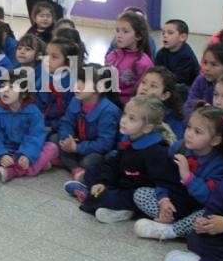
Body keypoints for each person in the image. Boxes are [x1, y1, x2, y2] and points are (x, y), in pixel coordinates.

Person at [67, 95, 186, 224]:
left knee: (108, 196)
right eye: (124, 114)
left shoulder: (155, 151)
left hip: (136, 192)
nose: (123, 120)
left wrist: (163, 200)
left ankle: (103, 200)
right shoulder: (129, 138)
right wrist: (103, 182)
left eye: (132, 119)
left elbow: (164, 182)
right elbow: (115, 164)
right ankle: (95, 192)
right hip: (124, 181)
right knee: (93, 171)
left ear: (147, 128)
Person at [133, 105, 223, 240]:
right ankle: (168, 219)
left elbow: (209, 199)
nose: (189, 134)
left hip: (198, 208)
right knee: (140, 194)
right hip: (176, 203)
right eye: (188, 127)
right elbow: (164, 178)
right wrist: (164, 199)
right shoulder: (178, 147)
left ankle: (171, 231)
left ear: (215, 140)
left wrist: (188, 177)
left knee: (209, 215)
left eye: (198, 132)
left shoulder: (220, 164)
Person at [0, 71, 59, 182]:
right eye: (2, 86)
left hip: (28, 150)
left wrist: (27, 155)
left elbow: (35, 136)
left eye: (11, 87)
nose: (5, 90)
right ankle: (32, 167)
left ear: (24, 94)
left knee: (52, 148)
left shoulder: (34, 112)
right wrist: (1, 155)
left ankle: (12, 171)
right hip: (7, 149)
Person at [58, 64, 121, 181]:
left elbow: (105, 144)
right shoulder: (75, 100)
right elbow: (66, 123)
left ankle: (73, 166)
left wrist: (77, 148)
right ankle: (76, 168)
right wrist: (66, 139)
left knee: (91, 161)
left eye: (84, 82)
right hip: (78, 143)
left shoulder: (108, 110)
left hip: (96, 150)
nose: (78, 85)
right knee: (55, 139)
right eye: (78, 80)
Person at [104, 10, 154, 106]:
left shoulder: (143, 63)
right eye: (117, 30)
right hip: (108, 100)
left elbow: (143, 94)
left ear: (138, 36)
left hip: (129, 105)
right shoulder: (112, 55)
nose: (119, 35)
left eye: (125, 31)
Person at [184, 43, 223, 119]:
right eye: (205, 63)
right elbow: (189, 106)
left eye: (214, 64)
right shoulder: (200, 80)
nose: (207, 68)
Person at [35, 37, 78, 139]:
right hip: (39, 121)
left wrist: (52, 127)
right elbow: (35, 102)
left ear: (68, 63)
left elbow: (70, 115)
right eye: (46, 55)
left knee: (54, 140)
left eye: (54, 57)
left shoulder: (73, 85)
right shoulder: (43, 76)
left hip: (59, 127)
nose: (47, 60)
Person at [136, 66, 185, 140]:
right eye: (143, 82)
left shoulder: (173, 122)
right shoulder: (131, 109)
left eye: (153, 86)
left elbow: (176, 147)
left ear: (165, 95)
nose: (145, 88)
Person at [154, 19, 199, 89]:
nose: (165, 36)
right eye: (163, 33)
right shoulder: (162, 52)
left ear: (182, 37)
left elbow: (180, 80)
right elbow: (156, 70)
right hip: (167, 83)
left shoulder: (186, 56)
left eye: (170, 33)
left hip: (184, 88)